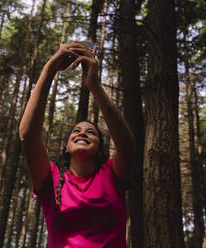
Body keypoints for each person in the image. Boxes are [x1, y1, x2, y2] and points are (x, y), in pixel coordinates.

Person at [19, 41, 136, 248]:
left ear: (99, 148)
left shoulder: (111, 174)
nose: (82, 133)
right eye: (76, 131)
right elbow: (28, 135)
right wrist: (49, 69)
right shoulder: (52, 180)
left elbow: (127, 147)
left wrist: (95, 86)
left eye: (91, 132)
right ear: (66, 147)